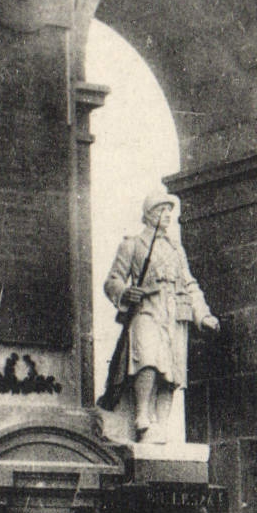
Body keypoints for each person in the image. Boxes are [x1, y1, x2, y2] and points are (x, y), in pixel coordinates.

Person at [100, 188, 219, 441]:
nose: (167, 215)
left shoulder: (176, 249)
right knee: (148, 359)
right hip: (147, 309)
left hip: (175, 313)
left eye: (169, 211)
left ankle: (161, 425)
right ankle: (142, 417)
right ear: (150, 214)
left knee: (173, 371)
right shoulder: (132, 244)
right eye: (162, 210)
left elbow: (189, 284)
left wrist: (203, 315)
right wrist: (125, 292)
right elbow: (112, 281)